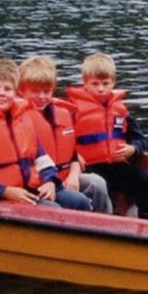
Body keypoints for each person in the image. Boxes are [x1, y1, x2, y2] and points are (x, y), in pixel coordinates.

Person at [0, 56, 92, 211]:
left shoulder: (23, 121)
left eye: (7, 89)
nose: (1, 93)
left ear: (15, 93)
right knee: (52, 209)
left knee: (80, 201)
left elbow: (44, 161)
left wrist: (50, 181)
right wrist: (5, 192)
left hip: (28, 190)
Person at [66, 52, 148, 220]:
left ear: (113, 82)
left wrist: (133, 149)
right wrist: (74, 156)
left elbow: (140, 140)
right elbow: (62, 140)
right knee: (102, 188)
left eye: (105, 83)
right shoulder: (72, 110)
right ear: (85, 83)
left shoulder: (121, 110)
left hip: (117, 166)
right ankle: (110, 220)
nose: (101, 88)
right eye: (95, 84)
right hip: (90, 168)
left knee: (146, 179)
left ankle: (147, 218)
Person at [18, 55, 113, 215]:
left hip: (63, 177)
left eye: (46, 91)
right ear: (21, 90)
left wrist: (74, 175)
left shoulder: (61, 114)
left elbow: (72, 155)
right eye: (35, 91)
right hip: (37, 183)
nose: (41, 97)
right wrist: (50, 182)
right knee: (60, 205)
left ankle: (106, 225)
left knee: (96, 183)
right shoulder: (17, 120)